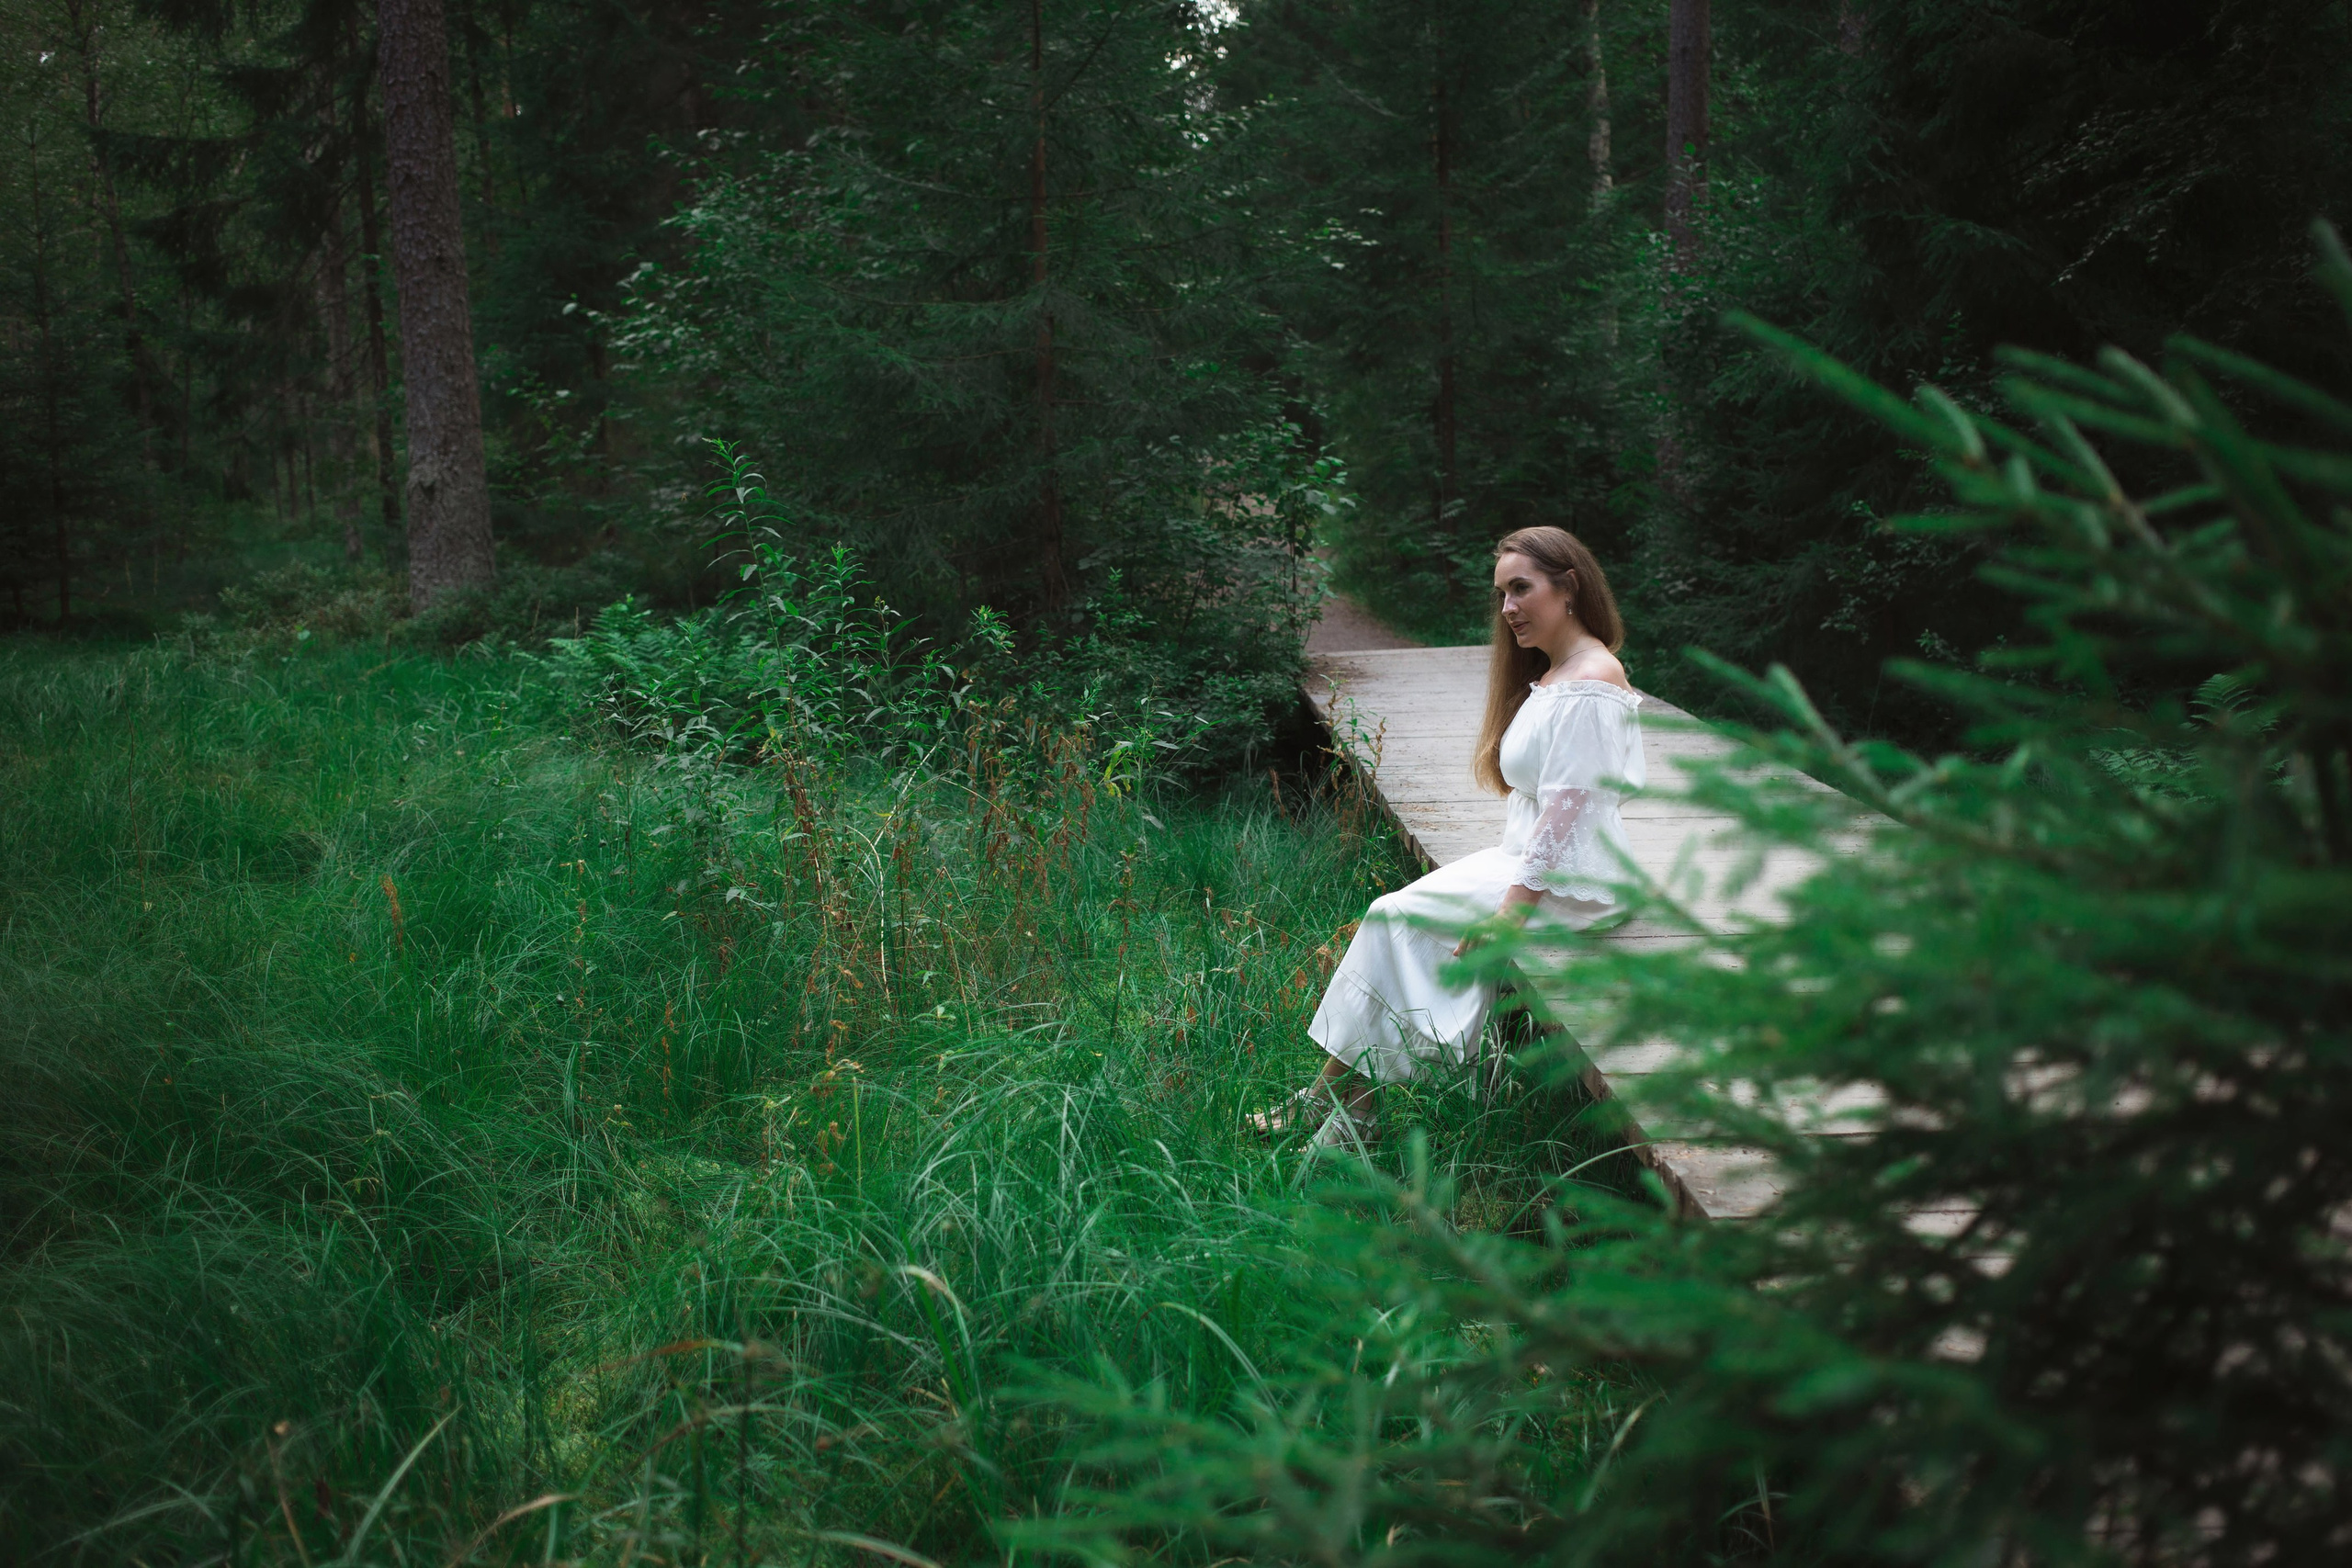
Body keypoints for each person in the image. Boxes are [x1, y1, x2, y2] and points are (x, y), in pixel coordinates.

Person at [1258, 525, 1645, 1150]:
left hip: (1572, 879)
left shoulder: (1591, 680)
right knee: (1392, 918)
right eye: (1501, 594)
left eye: (1521, 588)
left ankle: (1340, 1106)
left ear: (1569, 586)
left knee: (1395, 917)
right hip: (1532, 859)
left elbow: (1567, 814)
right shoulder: (1558, 673)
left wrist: (1509, 916)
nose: (1508, 608)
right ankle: (1344, 1102)